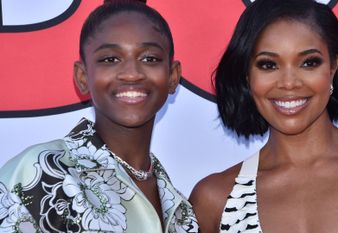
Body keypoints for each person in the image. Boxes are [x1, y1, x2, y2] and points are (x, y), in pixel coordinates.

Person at [189, 0, 338, 232]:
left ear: (333, 66)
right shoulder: (214, 200)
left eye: (309, 63)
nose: (289, 83)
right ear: (247, 75)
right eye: (268, 65)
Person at [0, 1, 199, 232]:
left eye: (150, 58)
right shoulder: (38, 173)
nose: (132, 74)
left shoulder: (182, 210)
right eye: (110, 59)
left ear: (173, 76)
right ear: (83, 77)